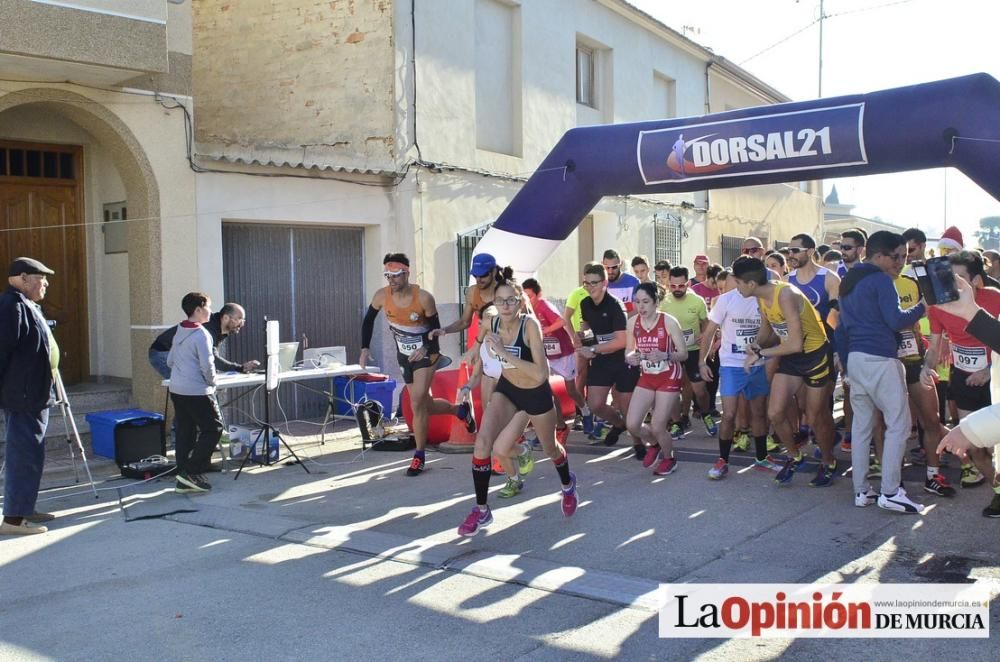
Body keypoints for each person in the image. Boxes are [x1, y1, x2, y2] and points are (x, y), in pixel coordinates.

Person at [456, 280, 579, 536]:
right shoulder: (492, 322)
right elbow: (480, 337)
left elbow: (541, 375)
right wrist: (473, 350)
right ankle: (481, 509)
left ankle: (568, 485)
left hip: (535, 393)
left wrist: (504, 353)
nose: (506, 306)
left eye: (511, 300)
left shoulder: (530, 326)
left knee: (550, 448)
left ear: (521, 302)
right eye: (500, 301)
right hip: (508, 389)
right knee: (482, 443)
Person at [836, 232, 928, 513]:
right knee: (898, 425)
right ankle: (890, 491)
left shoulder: (848, 280)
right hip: (879, 358)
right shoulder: (881, 279)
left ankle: (862, 491)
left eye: (906, 256)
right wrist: (922, 308)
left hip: (856, 360)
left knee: (862, 428)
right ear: (878, 255)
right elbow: (896, 320)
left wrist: (845, 361)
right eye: (898, 256)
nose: (902, 262)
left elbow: (839, 328)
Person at [360, 253, 473, 476]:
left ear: (407, 273)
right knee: (423, 404)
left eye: (395, 275)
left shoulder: (423, 298)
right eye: (387, 275)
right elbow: (368, 320)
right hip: (404, 356)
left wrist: (425, 348)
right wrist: (365, 348)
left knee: (417, 400)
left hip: (427, 353)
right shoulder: (381, 296)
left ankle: (419, 455)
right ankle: (458, 410)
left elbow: (436, 331)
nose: (391, 280)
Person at [731, 256, 837, 486]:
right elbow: (768, 327)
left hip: (814, 355)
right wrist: (757, 344)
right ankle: (794, 455)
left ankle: (829, 461)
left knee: (816, 416)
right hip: (790, 356)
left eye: (737, 283)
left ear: (750, 284)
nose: (736, 288)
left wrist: (761, 354)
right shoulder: (761, 296)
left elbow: (796, 344)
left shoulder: (786, 295)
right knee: (775, 413)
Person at [924, 250, 1000, 495]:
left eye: (959, 279)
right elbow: (934, 346)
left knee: (994, 446)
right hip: (963, 377)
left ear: (976, 280)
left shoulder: (995, 298)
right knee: (975, 445)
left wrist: (988, 371)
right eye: (949, 278)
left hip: (993, 382)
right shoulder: (938, 307)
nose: (952, 285)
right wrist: (927, 367)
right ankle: (996, 491)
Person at [699, 272, 776, 479]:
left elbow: (773, 331)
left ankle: (761, 456)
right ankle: (722, 460)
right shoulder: (726, 300)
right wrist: (702, 362)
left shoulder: (765, 300)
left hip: (757, 363)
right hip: (731, 365)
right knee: (729, 415)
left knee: (759, 412)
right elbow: (708, 333)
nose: (738, 284)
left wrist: (760, 347)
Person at [0, 258, 58, 535]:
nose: (45, 283)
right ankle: (13, 520)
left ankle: (25, 508)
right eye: (40, 278)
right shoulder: (10, 307)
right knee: (23, 455)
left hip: (35, 393)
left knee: (32, 455)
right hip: (22, 396)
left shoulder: (27, 305)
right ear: (23, 278)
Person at [625, 282, 687, 475]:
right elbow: (629, 350)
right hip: (647, 376)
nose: (641, 307)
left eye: (645, 302)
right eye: (637, 302)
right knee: (632, 424)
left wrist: (666, 355)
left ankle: (669, 459)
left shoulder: (668, 322)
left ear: (656, 302)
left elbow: (684, 354)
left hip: (669, 376)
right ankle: (655, 444)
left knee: (658, 425)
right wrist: (630, 358)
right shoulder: (632, 322)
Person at [167, 292, 226, 494]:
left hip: (177, 388)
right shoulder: (202, 334)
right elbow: (207, 366)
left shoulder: (180, 329)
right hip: (196, 391)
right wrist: (214, 383)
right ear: (198, 309)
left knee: (186, 431)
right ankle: (191, 472)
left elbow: (169, 360)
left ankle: (183, 474)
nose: (211, 310)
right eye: (209, 306)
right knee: (214, 429)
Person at [577, 262, 637, 447]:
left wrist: (593, 349)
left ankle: (639, 444)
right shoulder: (585, 303)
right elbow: (586, 325)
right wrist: (584, 337)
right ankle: (619, 425)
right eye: (586, 283)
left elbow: (621, 341)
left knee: (628, 408)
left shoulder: (615, 305)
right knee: (595, 405)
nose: (589, 287)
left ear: (604, 283)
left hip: (623, 360)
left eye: (593, 283)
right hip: (602, 360)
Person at [522, 278, 586, 443]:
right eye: (525, 296)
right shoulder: (524, 309)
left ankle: (586, 413)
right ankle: (555, 428)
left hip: (564, 353)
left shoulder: (544, 305)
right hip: (545, 356)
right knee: (544, 392)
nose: (528, 300)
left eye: (531, 296)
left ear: (538, 295)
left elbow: (562, 321)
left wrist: (545, 330)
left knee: (571, 390)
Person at [659, 266, 717, 437]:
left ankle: (706, 414)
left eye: (681, 286)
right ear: (668, 284)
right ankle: (677, 422)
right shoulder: (664, 302)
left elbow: (706, 324)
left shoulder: (697, 301)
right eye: (673, 286)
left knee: (699, 390)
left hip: (693, 351)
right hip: (672, 352)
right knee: (672, 390)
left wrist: (707, 340)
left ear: (688, 283)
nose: (677, 290)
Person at [149, 302, 259, 380]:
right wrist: (240, 367)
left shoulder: (221, 328)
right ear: (225, 318)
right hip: (163, 353)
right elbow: (212, 358)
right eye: (239, 319)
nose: (242, 323)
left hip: (179, 354)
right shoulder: (209, 328)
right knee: (188, 388)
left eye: (243, 320)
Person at [603, 249, 641, 314]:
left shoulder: (634, 282)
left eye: (614, 267)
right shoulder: (599, 283)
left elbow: (637, 309)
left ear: (621, 264)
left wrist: (619, 321)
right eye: (607, 267)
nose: (610, 271)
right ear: (602, 264)